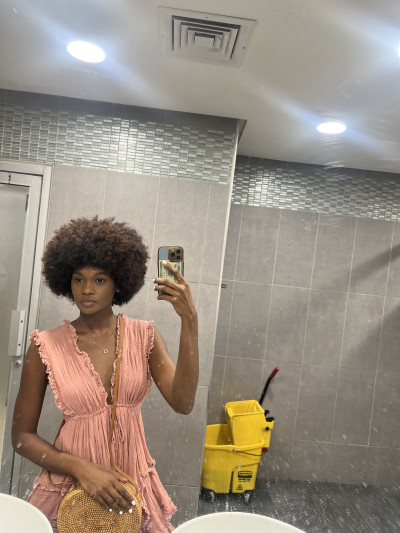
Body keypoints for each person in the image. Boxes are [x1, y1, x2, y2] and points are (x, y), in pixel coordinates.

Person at [11, 216, 199, 533]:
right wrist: (81, 468)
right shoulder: (46, 346)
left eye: (99, 280)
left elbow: (183, 403)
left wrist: (189, 320)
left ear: (118, 283)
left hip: (130, 487)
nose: (86, 289)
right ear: (66, 281)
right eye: (78, 279)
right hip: (70, 491)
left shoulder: (144, 337)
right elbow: (21, 438)